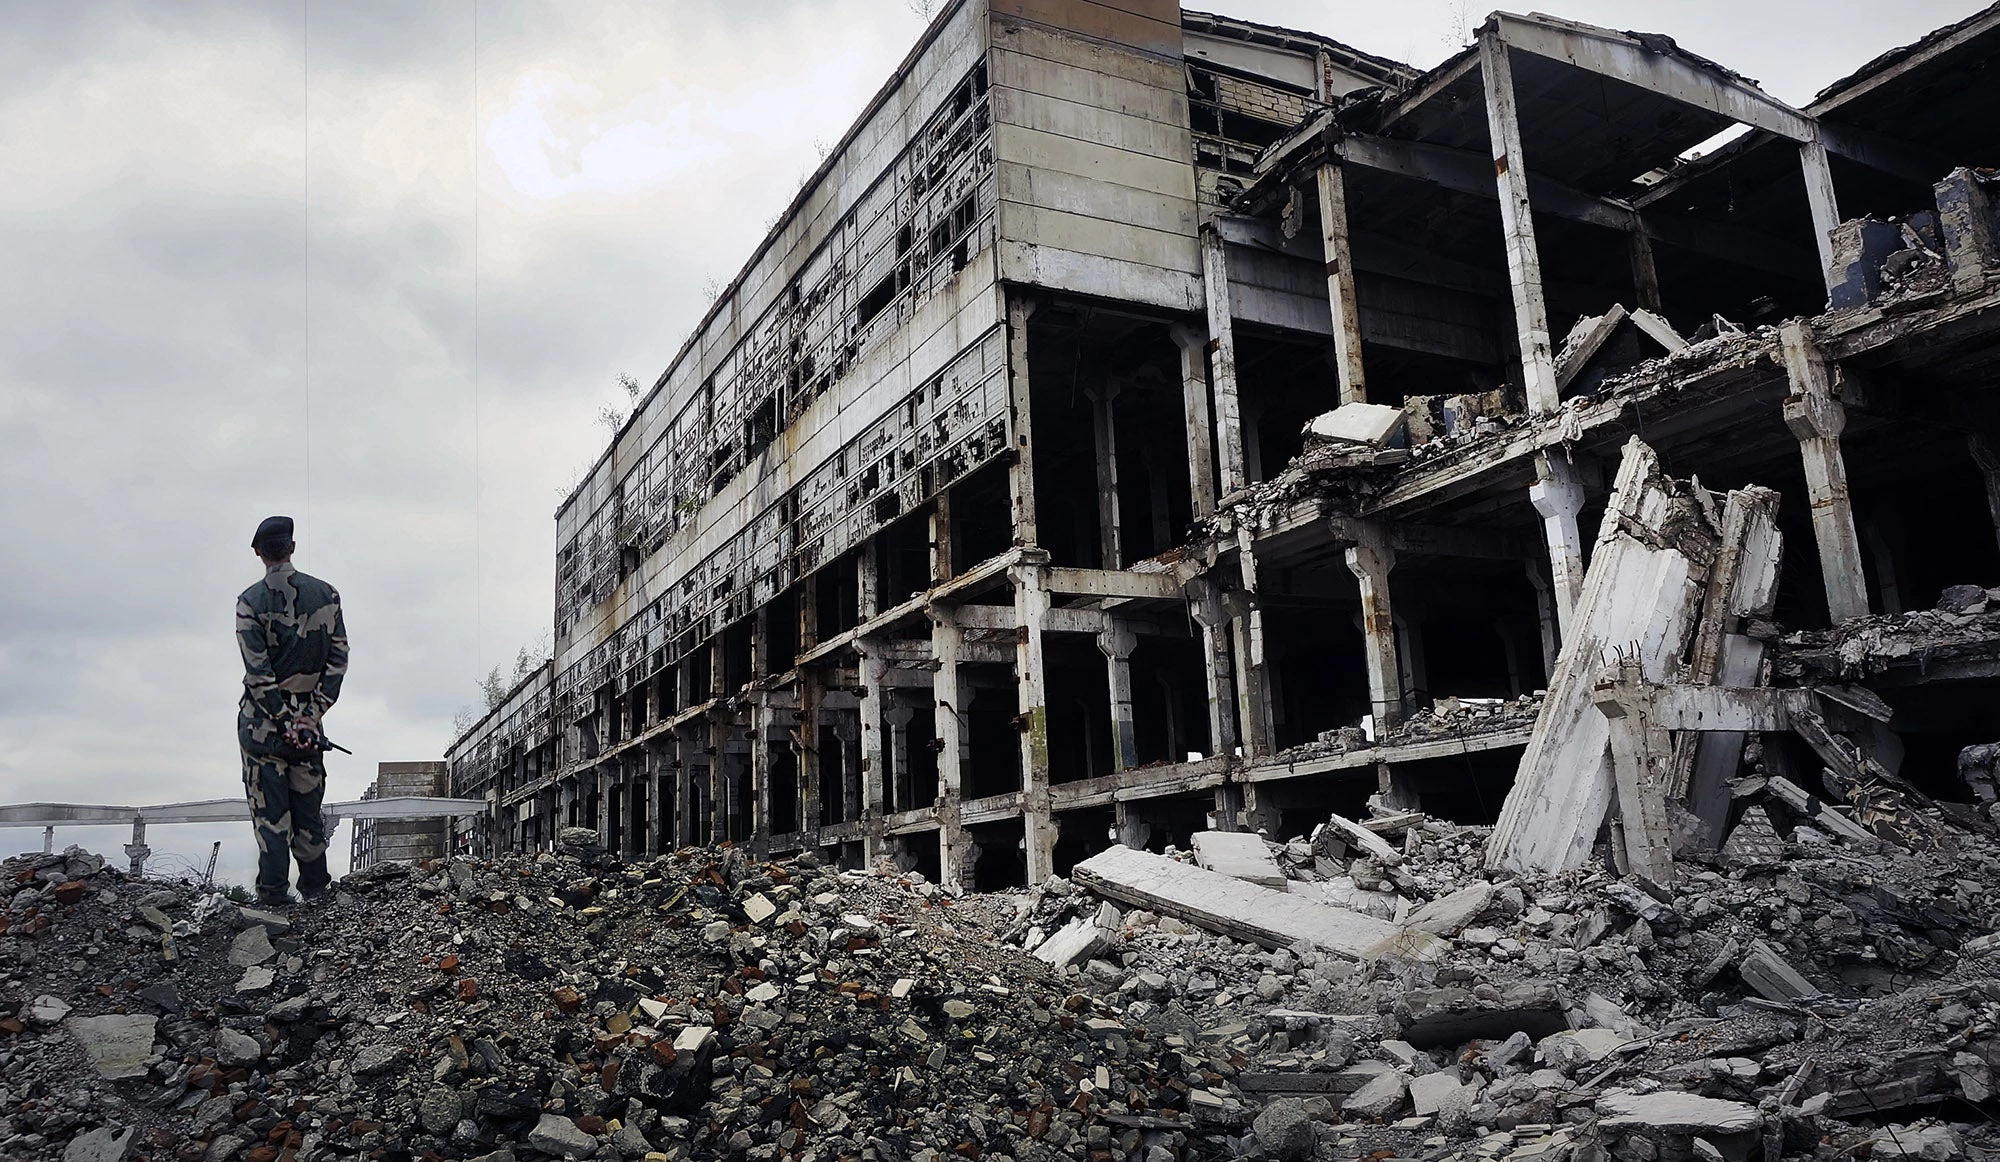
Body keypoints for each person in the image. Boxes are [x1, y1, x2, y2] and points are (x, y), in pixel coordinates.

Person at [236, 516, 349, 904]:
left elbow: (258, 672)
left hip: (263, 731)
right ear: (293, 547)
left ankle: (272, 900)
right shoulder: (327, 595)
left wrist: (282, 719)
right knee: (308, 813)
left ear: (258, 553)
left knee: (271, 818)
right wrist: (310, 714)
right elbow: (338, 660)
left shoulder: (250, 602)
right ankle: (317, 894)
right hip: (308, 730)